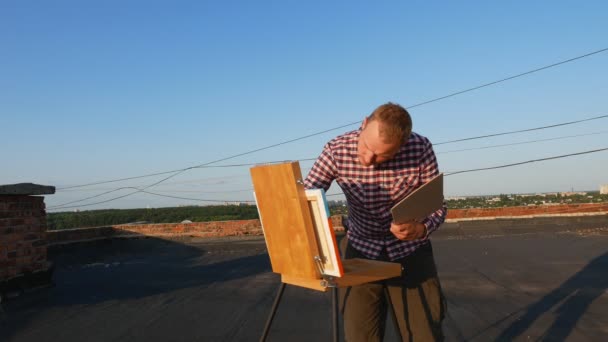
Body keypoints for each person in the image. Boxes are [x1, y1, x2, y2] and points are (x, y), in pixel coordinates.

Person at [304, 102, 447, 341]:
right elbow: (307, 197)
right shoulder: (336, 149)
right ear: (363, 124)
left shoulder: (420, 148)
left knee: (425, 334)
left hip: (411, 253)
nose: (369, 159)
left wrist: (421, 228)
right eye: (366, 147)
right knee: (360, 335)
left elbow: (437, 206)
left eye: (382, 156)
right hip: (360, 252)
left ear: (402, 147)